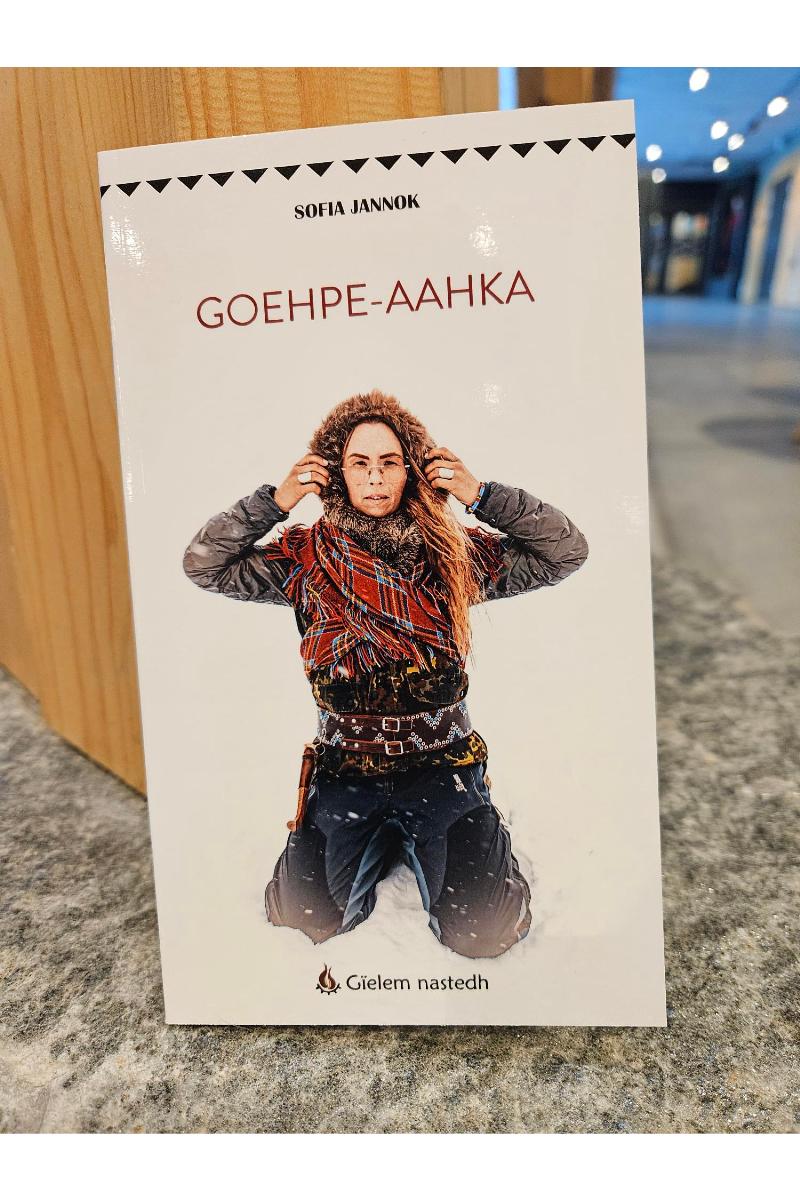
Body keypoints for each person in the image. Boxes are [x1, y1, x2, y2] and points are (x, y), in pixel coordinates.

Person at [182, 389, 589, 958]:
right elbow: (204, 564)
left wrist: (481, 495)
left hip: (441, 766)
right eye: (359, 463)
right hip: (345, 768)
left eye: (390, 462)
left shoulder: (455, 556)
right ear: (335, 472)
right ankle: (380, 837)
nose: (375, 477)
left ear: (412, 470)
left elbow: (564, 551)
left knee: (484, 932)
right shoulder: (302, 559)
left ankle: (456, 829)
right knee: (301, 920)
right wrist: (274, 502)